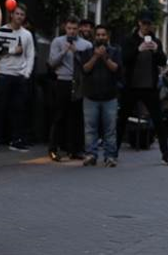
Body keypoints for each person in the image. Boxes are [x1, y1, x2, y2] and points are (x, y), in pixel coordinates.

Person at [117, 13, 168, 165]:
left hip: (149, 87)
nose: (147, 27)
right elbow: (124, 59)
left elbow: (162, 61)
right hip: (132, 87)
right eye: (144, 23)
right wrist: (138, 49)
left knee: (158, 121)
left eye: (149, 24)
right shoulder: (130, 40)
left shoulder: (155, 40)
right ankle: (113, 153)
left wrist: (156, 50)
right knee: (122, 119)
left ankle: (166, 154)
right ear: (139, 23)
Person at [0, 1, 35, 152]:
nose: (19, 17)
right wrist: (13, 50)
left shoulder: (27, 34)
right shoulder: (2, 31)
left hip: (19, 75)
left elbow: (30, 55)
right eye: (17, 13)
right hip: (4, 73)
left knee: (18, 109)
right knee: (0, 107)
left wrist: (26, 73)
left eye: (22, 14)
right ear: (11, 14)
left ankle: (16, 139)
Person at [48, 15, 92, 161]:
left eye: (74, 29)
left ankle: (76, 149)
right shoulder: (57, 41)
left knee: (77, 117)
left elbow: (87, 66)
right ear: (64, 28)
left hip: (78, 83)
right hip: (63, 81)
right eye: (69, 28)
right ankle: (54, 149)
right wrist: (64, 51)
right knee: (59, 116)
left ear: (78, 29)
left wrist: (76, 53)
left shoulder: (86, 45)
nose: (71, 32)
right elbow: (52, 63)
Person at [80, 25, 122, 167]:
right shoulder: (87, 52)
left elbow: (116, 69)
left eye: (103, 35)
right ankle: (91, 155)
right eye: (98, 35)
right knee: (90, 129)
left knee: (110, 129)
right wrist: (95, 56)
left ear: (107, 37)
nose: (100, 37)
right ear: (94, 37)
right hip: (90, 96)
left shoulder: (115, 52)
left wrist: (104, 57)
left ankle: (110, 156)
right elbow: (85, 69)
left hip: (110, 96)